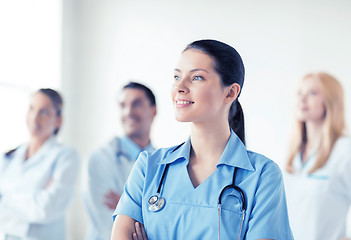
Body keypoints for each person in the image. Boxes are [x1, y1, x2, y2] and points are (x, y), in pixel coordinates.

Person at [111, 39, 293, 240]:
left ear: (230, 92)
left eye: (196, 77)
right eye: (176, 76)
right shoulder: (149, 168)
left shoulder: (262, 176)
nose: (179, 86)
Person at [284, 72, 351, 240]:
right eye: (299, 93)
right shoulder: (292, 152)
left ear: (330, 101)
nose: (302, 99)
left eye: (312, 93)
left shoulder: (345, 149)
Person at [0, 88, 79, 240]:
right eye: (31, 108)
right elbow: (38, 207)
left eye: (44, 112)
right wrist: (35, 198)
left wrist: (4, 199)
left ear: (58, 120)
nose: (34, 118)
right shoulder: (8, 157)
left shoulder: (66, 157)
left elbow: (46, 209)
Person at [83, 82, 157, 240]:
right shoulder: (100, 159)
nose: (128, 112)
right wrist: (148, 210)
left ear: (154, 110)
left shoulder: (163, 164)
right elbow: (108, 226)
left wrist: (126, 206)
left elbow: (168, 223)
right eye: (123, 105)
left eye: (136, 104)